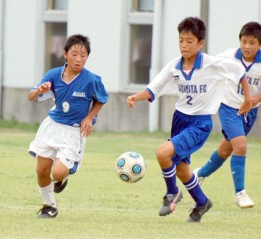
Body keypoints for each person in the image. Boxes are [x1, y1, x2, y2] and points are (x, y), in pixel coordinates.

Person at [126, 17, 252, 223]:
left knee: (162, 153)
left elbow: (239, 71)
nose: (184, 45)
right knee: (181, 168)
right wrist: (134, 97)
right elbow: (154, 88)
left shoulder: (212, 64)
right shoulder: (174, 66)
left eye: (189, 41)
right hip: (179, 120)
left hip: (200, 123)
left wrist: (247, 98)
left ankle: (172, 194)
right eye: (181, 40)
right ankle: (202, 202)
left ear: (201, 43)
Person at [28, 34, 109, 219]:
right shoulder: (54, 75)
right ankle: (49, 206)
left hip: (74, 131)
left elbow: (101, 100)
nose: (79, 59)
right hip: (52, 127)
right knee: (41, 170)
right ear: (65, 54)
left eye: (83, 55)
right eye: (74, 54)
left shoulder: (92, 80)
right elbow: (32, 97)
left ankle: (62, 178)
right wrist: (39, 91)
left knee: (57, 172)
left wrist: (89, 118)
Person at [194, 22, 261, 209]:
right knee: (240, 145)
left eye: (252, 43)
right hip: (228, 107)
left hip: (250, 112)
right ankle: (240, 193)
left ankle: (199, 175)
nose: (247, 46)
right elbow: (206, 66)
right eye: (244, 41)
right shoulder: (228, 57)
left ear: (260, 44)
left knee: (226, 150)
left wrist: (257, 98)